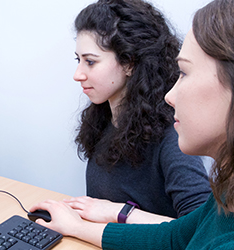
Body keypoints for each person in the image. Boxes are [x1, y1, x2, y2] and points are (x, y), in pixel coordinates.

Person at [31, 0, 234, 248]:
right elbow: (175, 237)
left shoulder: (171, 137)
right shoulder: (230, 196)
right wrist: (78, 227)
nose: (170, 96)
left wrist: (120, 213)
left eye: (185, 73)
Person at [68, 0, 211, 224]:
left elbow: (200, 227)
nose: (78, 74)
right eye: (78, 60)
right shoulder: (102, 119)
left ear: (129, 63)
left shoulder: (172, 136)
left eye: (90, 62)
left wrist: (120, 213)